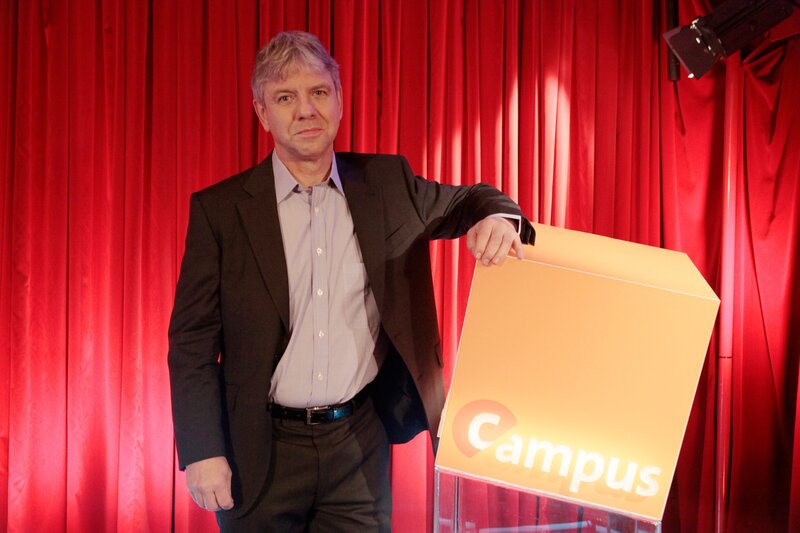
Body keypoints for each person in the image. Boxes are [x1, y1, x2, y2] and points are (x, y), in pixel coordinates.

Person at [168, 30, 535, 532]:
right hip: (258, 448)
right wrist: (202, 450)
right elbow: (191, 342)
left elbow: (471, 199)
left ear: (339, 100)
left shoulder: (387, 184)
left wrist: (499, 217)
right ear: (262, 113)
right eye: (285, 97)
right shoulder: (221, 211)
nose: (306, 110)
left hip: (358, 446)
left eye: (319, 92)